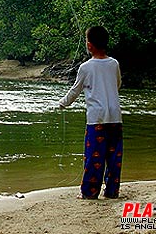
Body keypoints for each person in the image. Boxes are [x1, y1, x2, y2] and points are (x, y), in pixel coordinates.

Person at [59, 26, 123, 199]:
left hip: (97, 119)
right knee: (113, 158)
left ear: (89, 45)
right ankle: (112, 192)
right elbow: (117, 84)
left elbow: (75, 90)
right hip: (115, 117)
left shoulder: (85, 68)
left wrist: (62, 104)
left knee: (94, 158)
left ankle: (90, 193)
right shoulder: (114, 64)